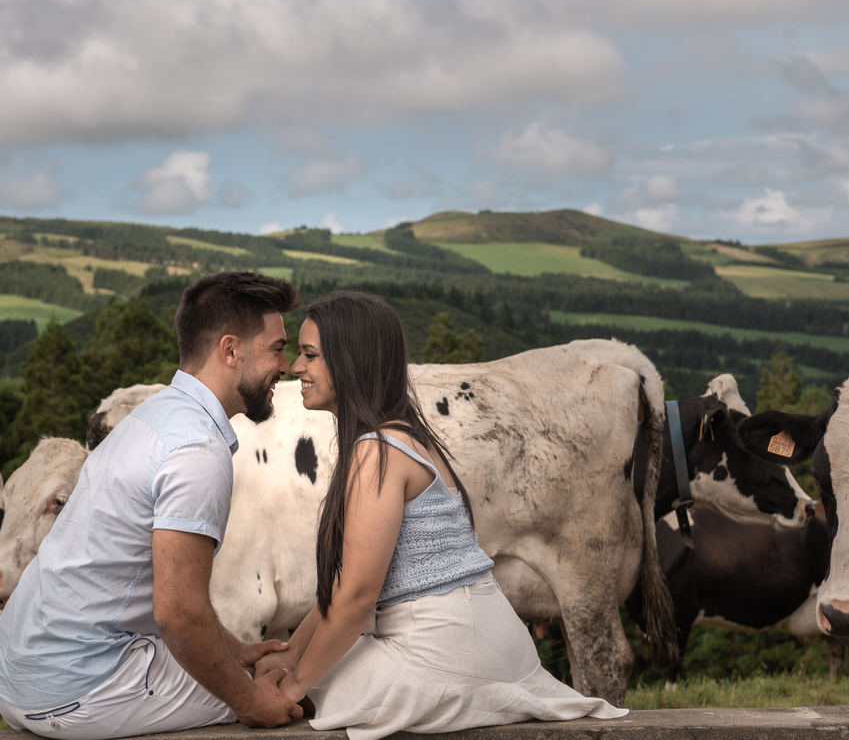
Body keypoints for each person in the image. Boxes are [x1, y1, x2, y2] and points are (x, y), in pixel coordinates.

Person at [256, 291, 628, 740]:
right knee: (306, 675)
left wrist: (295, 684)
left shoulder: (377, 450)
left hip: (448, 647)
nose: (296, 367)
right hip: (477, 638)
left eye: (310, 355)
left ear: (351, 361)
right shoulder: (402, 437)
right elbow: (341, 587)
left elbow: (355, 596)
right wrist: (292, 653)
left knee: (311, 696)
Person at [0, 271, 304, 740]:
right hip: (74, 691)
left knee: (243, 668)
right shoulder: (197, 449)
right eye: (277, 348)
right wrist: (250, 699)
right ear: (231, 350)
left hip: (13, 674)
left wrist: (232, 649)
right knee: (289, 687)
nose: (288, 365)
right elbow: (178, 612)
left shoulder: (153, 416)